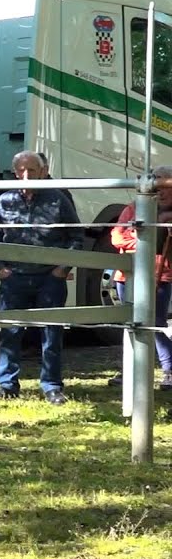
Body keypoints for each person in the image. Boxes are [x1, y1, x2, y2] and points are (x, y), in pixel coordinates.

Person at [0, 150, 83, 405]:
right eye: (22, 170)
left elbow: (76, 237)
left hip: (49, 277)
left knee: (51, 334)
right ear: (15, 172)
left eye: (33, 170)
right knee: (10, 332)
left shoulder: (59, 199)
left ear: (43, 171)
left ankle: (52, 386)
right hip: (13, 277)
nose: (27, 175)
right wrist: (0, 269)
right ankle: (6, 385)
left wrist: (62, 269)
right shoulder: (3, 201)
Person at [107, 164, 172, 390]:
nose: (159, 189)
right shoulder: (134, 208)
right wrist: (145, 242)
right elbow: (117, 237)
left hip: (160, 275)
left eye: (164, 183)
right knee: (131, 323)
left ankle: (169, 370)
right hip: (128, 275)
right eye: (155, 182)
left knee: (155, 323)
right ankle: (129, 370)